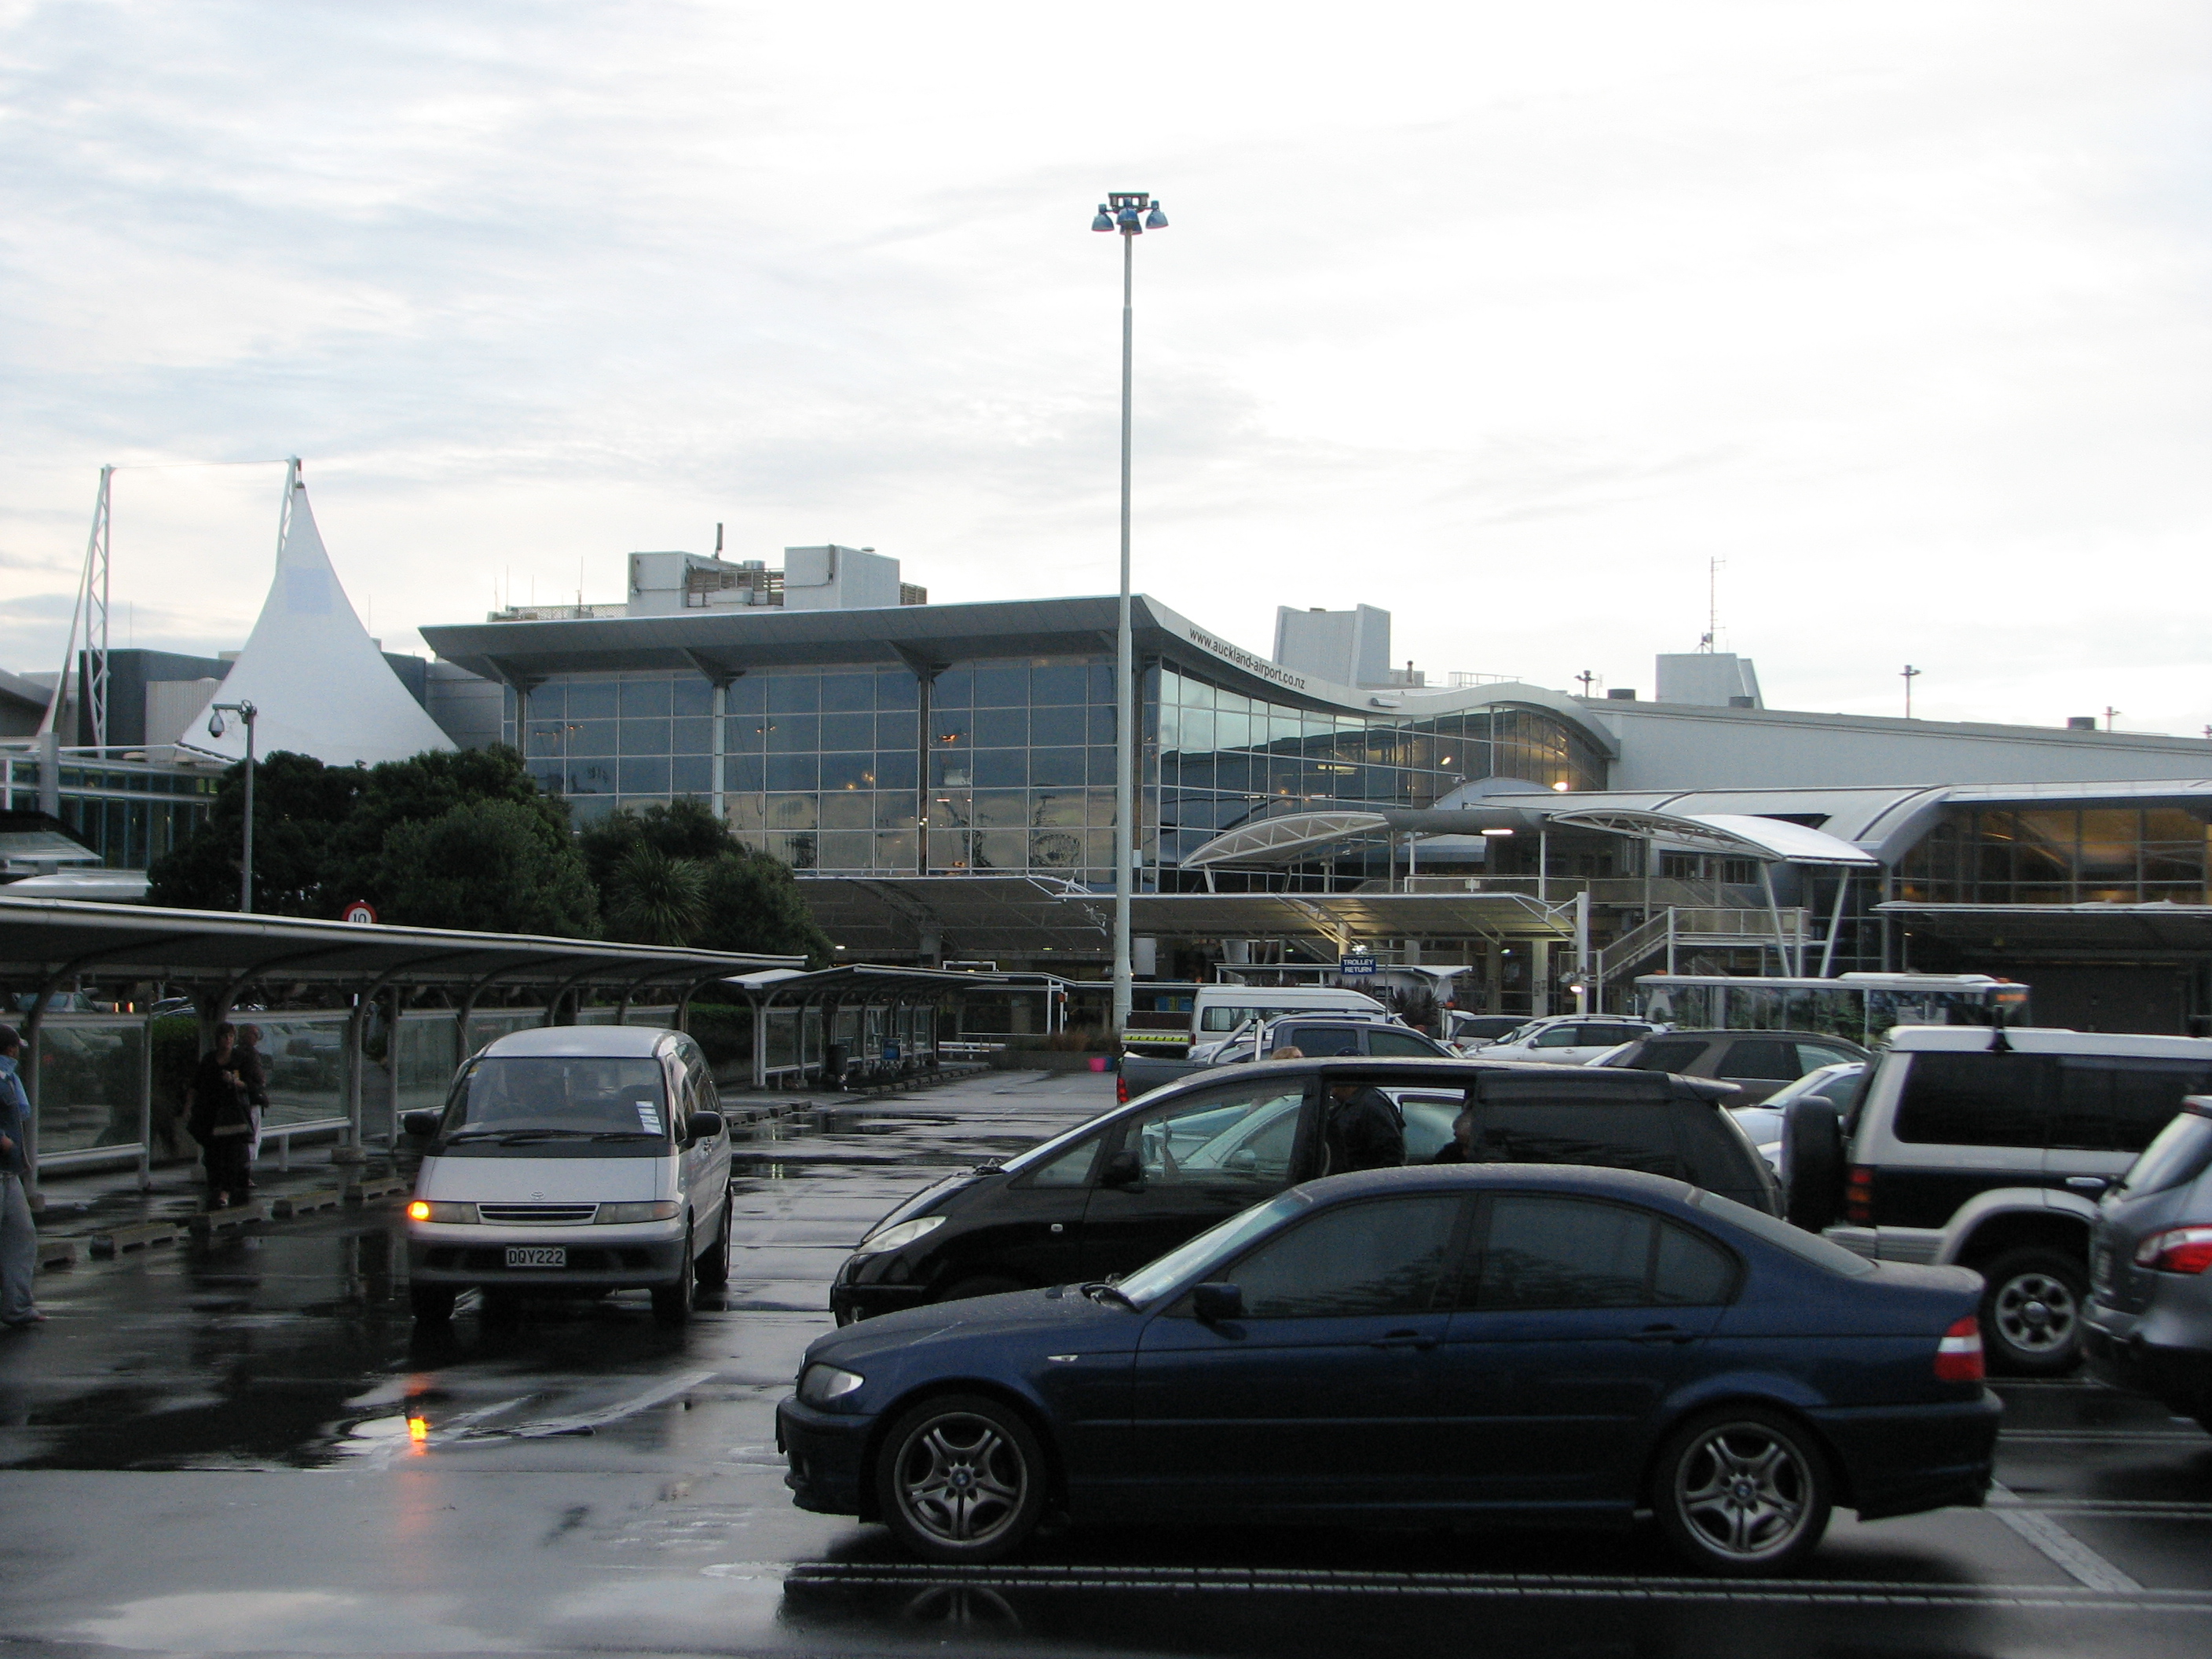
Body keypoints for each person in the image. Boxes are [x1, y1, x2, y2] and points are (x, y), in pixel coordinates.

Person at [0, 1024, 46, 1328]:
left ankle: (17, 1307)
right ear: (11, 1048)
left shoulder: (9, 1078)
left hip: (9, 1173)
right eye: (16, 1047)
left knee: (21, 1234)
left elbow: (21, 1114)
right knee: (18, 1235)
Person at [188, 1024, 255, 1210]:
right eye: (224, 1036)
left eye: (231, 1037)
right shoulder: (209, 1060)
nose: (228, 1040)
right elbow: (197, 1084)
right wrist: (189, 1107)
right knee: (213, 1155)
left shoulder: (240, 1059)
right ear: (218, 1039)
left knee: (231, 1154)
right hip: (211, 1114)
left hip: (233, 1114)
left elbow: (250, 1084)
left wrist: (235, 1081)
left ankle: (225, 1192)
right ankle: (216, 1187)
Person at [1324, 1077, 1404, 1173]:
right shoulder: (1351, 1105)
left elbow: (1391, 1153)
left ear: (1350, 1084)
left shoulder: (1372, 1105)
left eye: (1335, 1086)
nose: (1333, 1093)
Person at [236, 1024, 271, 1171]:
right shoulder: (249, 1054)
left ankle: (244, 1169)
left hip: (247, 1099)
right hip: (250, 1101)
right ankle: (245, 1170)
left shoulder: (238, 1053)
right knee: (252, 1136)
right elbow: (253, 1079)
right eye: (254, 1034)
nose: (256, 1038)